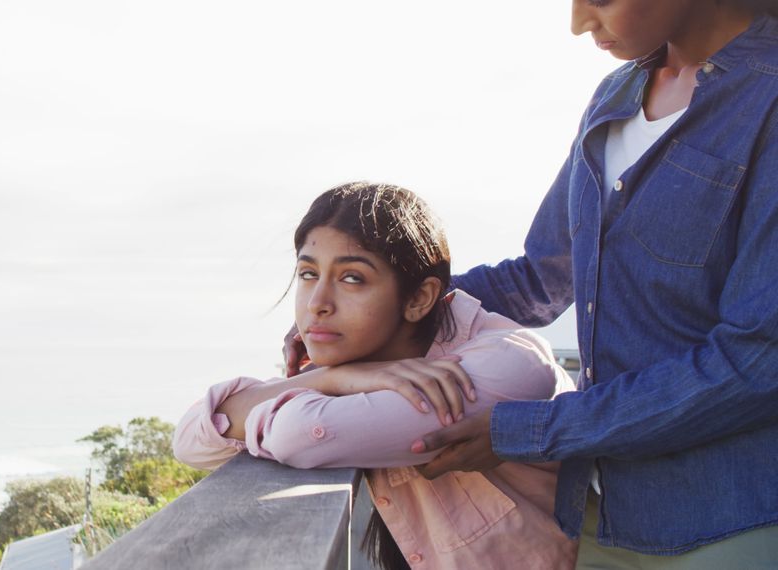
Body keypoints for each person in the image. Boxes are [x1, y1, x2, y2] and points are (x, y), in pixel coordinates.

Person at [285, 2, 778, 567]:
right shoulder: (615, 95)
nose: (578, 22)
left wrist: (529, 429)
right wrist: (362, 314)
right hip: (601, 515)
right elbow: (542, 275)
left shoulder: (769, 100)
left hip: (734, 520)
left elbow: (758, 362)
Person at [174, 182, 578, 569]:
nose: (317, 304)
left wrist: (331, 379)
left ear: (419, 298)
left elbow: (297, 435)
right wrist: (331, 379)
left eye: (352, 278)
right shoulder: (362, 359)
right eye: (308, 274)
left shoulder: (504, 366)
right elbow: (192, 442)